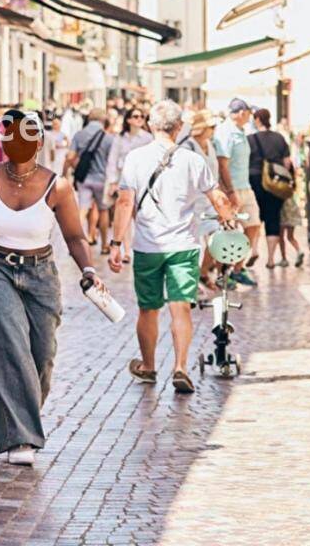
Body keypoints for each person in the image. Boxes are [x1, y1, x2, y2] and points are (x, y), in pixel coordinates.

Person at [0, 109, 104, 466]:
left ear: (38, 144)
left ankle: (21, 415)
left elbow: (75, 237)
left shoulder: (58, 186)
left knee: (42, 354)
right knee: (9, 347)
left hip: (40, 274)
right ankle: (21, 438)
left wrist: (88, 269)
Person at [109, 100, 236, 394]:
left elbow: (125, 202)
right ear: (179, 127)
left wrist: (116, 243)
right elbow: (217, 197)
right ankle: (180, 367)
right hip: (183, 246)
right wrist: (228, 219)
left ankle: (149, 366)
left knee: (148, 309)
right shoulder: (193, 160)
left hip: (147, 246)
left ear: (151, 125)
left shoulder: (136, 158)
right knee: (181, 309)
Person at [214, 99, 260, 286]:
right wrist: (230, 191)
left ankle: (238, 269)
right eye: (249, 113)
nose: (251, 117)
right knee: (227, 232)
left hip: (245, 187)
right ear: (241, 113)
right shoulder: (225, 131)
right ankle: (222, 275)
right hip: (231, 189)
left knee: (253, 224)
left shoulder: (241, 131)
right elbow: (222, 163)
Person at [104, 107, 152, 262]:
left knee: (140, 216)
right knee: (124, 214)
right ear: (129, 119)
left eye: (142, 116)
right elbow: (112, 160)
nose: (140, 119)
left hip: (142, 182)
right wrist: (112, 181)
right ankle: (127, 251)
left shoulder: (148, 138)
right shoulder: (120, 138)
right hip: (123, 180)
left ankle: (140, 247)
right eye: (136, 116)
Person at [248, 108, 293, 269]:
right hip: (275, 183)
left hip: (255, 180)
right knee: (273, 219)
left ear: (258, 120)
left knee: (255, 218)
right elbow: (287, 162)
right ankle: (271, 259)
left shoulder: (250, 139)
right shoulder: (279, 138)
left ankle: (254, 250)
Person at [64, 108, 114, 252]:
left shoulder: (79, 135)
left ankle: (77, 244)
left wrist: (75, 168)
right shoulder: (108, 137)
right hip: (102, 180)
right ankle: (104, 245)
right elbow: (112, 161)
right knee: (103, 211)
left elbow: (70, 156)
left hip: (84, 179)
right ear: (103, 120)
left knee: (83, 210)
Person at [182, 110, 221, 289]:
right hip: (193, 203)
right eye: (211, 126)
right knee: (193, 243)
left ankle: (203, 272)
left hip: (209, 201)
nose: (213, 129)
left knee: (217, 237)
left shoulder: (210, 145)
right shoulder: (187, 146)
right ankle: (192, 280)